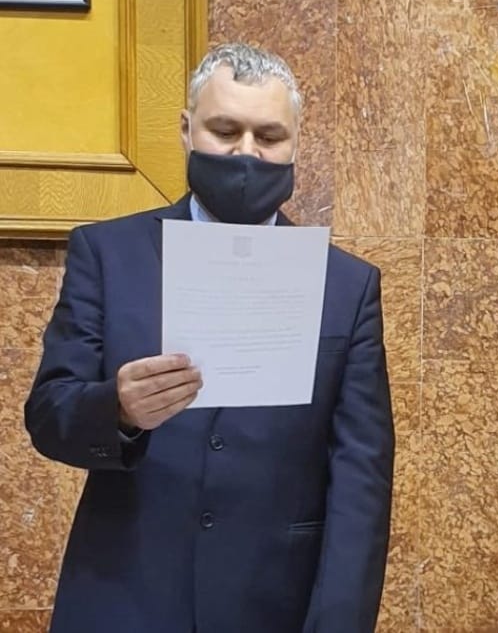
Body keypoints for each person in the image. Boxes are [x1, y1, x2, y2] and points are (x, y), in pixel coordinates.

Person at [24, 42, 394, 633]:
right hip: (124, 596)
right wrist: (117, 410)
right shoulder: (108, 254)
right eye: (224, 131)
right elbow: (48, 415)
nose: (246, 152)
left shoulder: (347, 286)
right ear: (186, 130)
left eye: (268, 136)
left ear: (296, 142)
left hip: (273, 601)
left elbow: (362, 478)